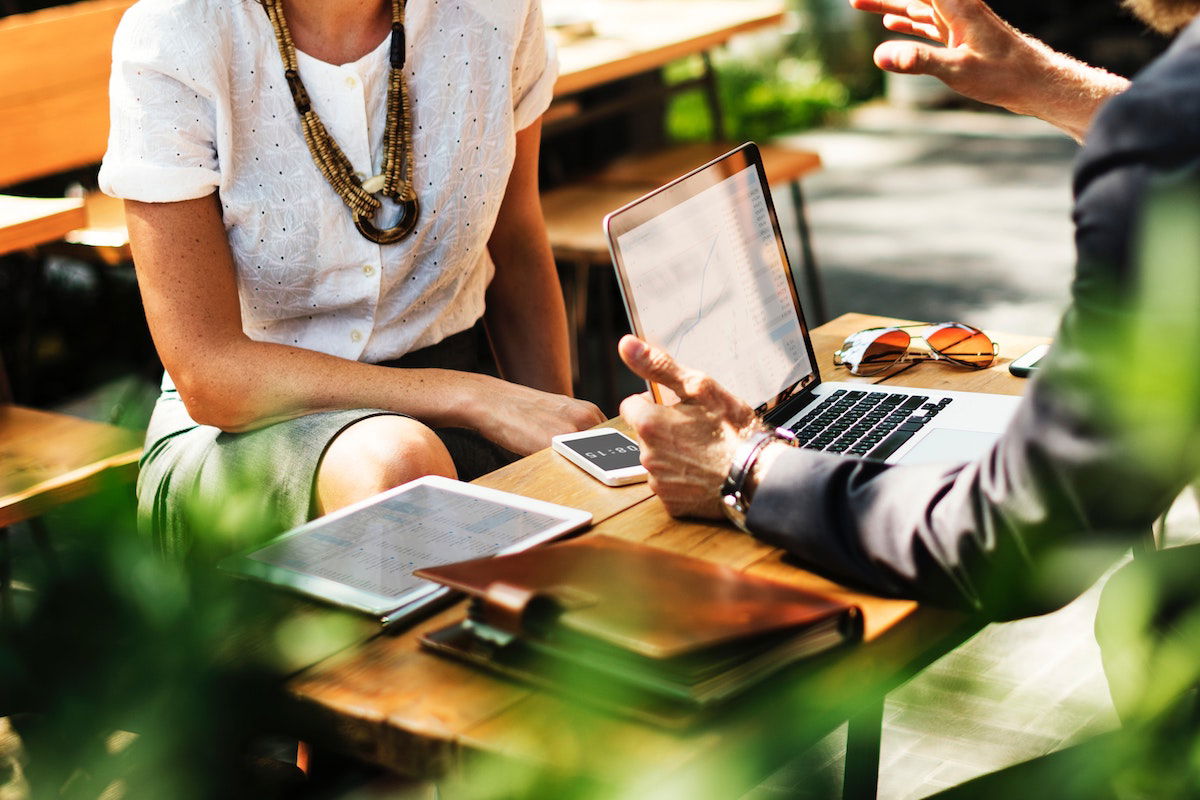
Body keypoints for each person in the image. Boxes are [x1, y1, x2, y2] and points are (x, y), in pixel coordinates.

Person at [619, 0, 1200, 615]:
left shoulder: (1161, 147)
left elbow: (1015, 537)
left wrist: (744, 468)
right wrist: (1045, 83)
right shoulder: (1169, 127)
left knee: (1145, 615)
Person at [99, 0, 604, 555]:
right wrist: (474, 397)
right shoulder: (177, 33)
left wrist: (558, 438)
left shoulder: (498, 11)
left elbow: (518, 243)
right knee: (401, 467)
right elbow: (208, 374)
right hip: (245, 434)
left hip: (463, 418)